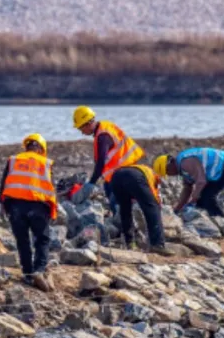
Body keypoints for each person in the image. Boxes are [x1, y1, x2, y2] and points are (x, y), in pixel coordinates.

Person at [69, 106, 164, 250]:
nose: (82, 132)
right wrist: (92, 183)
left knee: (124, 209)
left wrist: (91, 183)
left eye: (81, 128)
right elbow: (102, 161)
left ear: (88, 123)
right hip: (128, 174)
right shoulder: (105, 131)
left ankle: (130, 243)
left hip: (117, 178)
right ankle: (158, 245)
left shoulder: (103, 134)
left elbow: (101, 161)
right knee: (151, 206)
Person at [0, 133, 57, 287]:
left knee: (22, 241)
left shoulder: (13, 160)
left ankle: (27, 274)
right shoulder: (46, 163)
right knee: (42, 239)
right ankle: (39, 270)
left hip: (15, 207)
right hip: (38, 207)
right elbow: (51, 189)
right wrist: (53, 211)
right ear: (41, 149)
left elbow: (3, 184)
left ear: (26, 147)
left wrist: (2, 205)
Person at [155, 147, 224, 217]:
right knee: (201, 200)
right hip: (221, 170)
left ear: (169, 164)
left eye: (167, 172)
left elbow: (201, 181)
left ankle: (222, 221)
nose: (169, 175)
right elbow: (187, 188)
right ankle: (210, 219)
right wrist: (177, 209)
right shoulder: (181, 169)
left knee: (207, 196)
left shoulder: (185, 163)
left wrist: (193, 198)